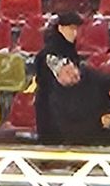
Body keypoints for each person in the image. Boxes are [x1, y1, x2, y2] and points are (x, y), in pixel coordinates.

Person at [45, 56, 110, 148]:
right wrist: (99, 123)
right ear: (58, 77)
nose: (73, 73)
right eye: (67, 72)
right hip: (82, 143)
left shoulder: (89, 74)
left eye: (73, 68)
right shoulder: (55, 97)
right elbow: (68, 130)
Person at [32, 13, 81, 145]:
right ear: (60, 28)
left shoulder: (69, 51)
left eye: (76, 29)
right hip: (51, 106)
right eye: (71, 28)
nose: (74, 33)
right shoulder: (51, 52)